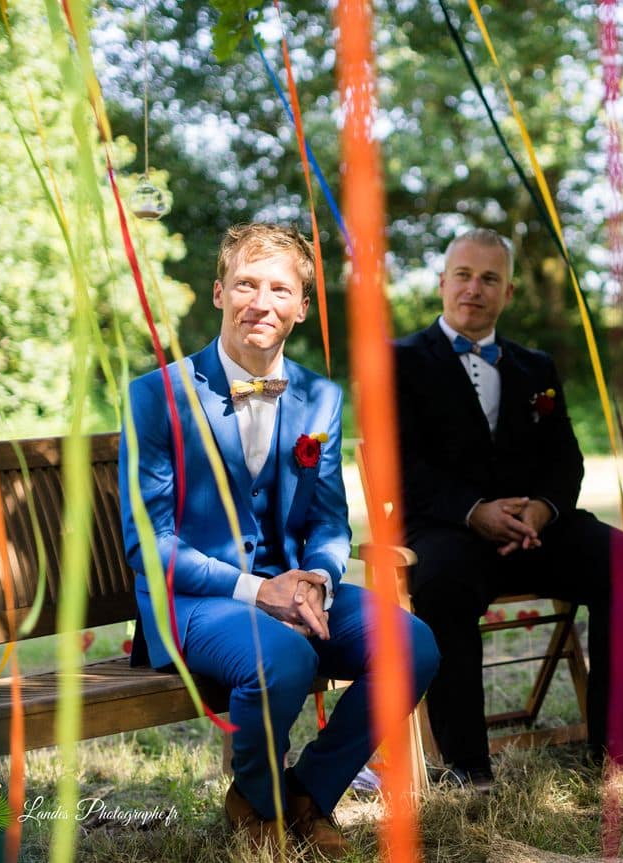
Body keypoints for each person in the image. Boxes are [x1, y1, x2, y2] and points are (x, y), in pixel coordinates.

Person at [119, 224, 439, 854]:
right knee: (284, 657)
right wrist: (258, 589)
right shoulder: (155, 395)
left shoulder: (320, 396)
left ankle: (308, 792)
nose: (260, 302)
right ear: (218, 292)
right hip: (197, 599)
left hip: (296, 588)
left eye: (278, 289)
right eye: (245, 284)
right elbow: (148, 545)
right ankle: (256, 804)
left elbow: (328, 518)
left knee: (414, 644)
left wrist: (319, 578)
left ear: (301, 306)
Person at [393, 227, 623, 790]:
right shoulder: (398, 361)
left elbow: (565, 459)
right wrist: (475, 511)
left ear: (509, 292)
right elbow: (404, 464)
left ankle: (621, 739)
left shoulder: (535, 367)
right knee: (441, 583)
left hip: (536, 530)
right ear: (443, 283)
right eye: (464, 276)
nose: (475, 289)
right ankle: (466, 763)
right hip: (449, 529)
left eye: (489, 278)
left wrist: (543, 510)